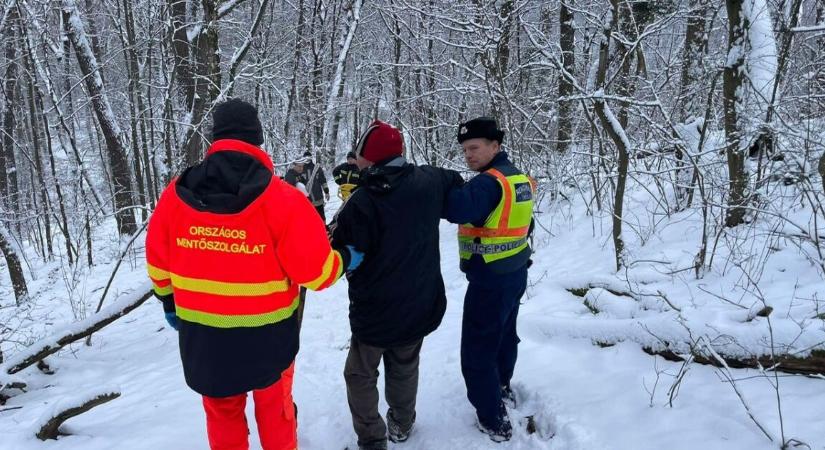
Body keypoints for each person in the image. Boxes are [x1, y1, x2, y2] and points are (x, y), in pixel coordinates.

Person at [145, 98, 363, 450]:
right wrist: (345, 258)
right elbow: (317, 273)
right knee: (275, 412)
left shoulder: (175, 196)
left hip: (203, 339)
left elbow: (157, 261)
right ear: (258, 140)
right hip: (269, 339)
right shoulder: (284, 201)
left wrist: (169, 302)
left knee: (222, 414)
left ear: (214, 141)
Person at [330, 120, 464, 450]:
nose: (355, 160)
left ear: (370, 158)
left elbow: (340, 253)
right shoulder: (430, 180)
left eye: (359, 155)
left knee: (359, 374)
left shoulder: (362, 202)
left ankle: (373, 438)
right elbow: (456, 183)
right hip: (421, 302)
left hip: (376, 310)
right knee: (405, 364)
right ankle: (402, 422)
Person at [443, 116, 534, 443]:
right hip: (515, 270)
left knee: (478, 347)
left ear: (495, 146)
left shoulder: (487, 183)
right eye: (465, 149)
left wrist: (444, 182)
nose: (469, 154)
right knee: (505, 335)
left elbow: (455, 209)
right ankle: (502, 386)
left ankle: (492, 416)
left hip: (490, 278)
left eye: (475, 147)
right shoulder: (518, 178)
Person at [302, 151, 330, 222]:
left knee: (321, 218)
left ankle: (324, 231)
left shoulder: (317, 168)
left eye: (308, 157)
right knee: (310, 220)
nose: (307, 159)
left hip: (318, 198)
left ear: (311, 158)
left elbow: (323, 181)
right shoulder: (301, 169)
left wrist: (326, 192)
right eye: (305, 158)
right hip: (307, 201)